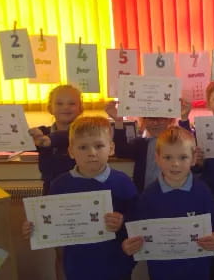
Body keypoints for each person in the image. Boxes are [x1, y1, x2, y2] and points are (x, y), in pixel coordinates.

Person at [22, 116, 138, 280]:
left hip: (116, 264)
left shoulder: (123, 182)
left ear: (111, 148)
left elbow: (137, 220)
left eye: (99, 146)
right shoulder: (60, 185)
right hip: (77, 265)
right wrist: (34, 227)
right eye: (83, 147)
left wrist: (122, 221)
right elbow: (50, 221)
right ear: (71, 151)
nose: (92, 153)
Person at [122, 126, 214, 280]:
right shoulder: (148, 196)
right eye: (168, 157)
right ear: (157, 159)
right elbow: (133, 230)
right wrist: (128, 244)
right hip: (161, 272)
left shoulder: (203, 192)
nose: (175, 164)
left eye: (182, 157)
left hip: (198, 271)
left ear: (193, 158)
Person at [106, 100, 176, 193]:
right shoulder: (141, 143)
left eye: (161, 118)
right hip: (145, 196)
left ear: (170, 119)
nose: (155, 123)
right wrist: (118, 121)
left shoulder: (177, 142)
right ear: (144, 121)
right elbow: (121, 151)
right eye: (150, 118)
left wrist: (184, 119)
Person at [28, 85, 83, 195]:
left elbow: (68, 136)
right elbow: (22, 141)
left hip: (80, 188)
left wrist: (49, 140)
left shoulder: (85, 133)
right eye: (59, 104)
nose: (66, 107)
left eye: (71, 104)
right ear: (50, 109)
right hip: (50, 189)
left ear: (80, 109)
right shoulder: (42, 132)